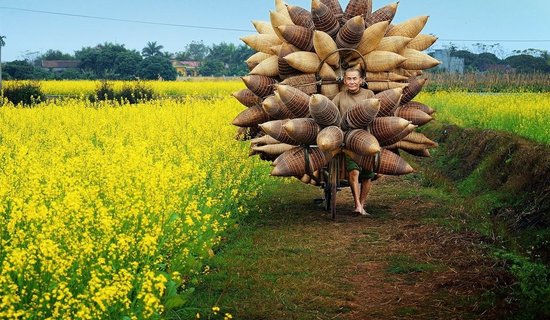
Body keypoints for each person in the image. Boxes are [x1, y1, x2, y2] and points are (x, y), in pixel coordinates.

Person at [332, 68, 377, 216]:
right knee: (354, 172)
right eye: (349, 79)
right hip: (348, 140)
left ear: (361, 80)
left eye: (354, 79)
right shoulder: (339, 97)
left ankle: (362, 204)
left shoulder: (368, 94)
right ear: (344, 81)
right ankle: (357, 204)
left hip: (366, 139)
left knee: (367, 175)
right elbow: (331, 114)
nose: (352, 82)